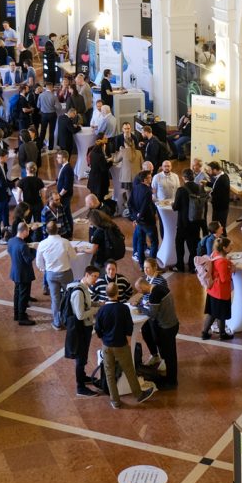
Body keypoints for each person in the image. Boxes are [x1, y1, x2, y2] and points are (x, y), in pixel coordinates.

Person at [94, 282, 157, 408]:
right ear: (117, 293)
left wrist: (104, 340)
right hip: (121, 345)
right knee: (129, 370)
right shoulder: (123, 308)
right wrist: (127, 341)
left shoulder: (102, 310)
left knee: (109, 373)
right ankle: (139, 395)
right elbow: (129, 328)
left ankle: (115, 401)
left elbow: (97, 328)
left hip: (107, 346)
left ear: (106, 294)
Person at [137, 258, 179, 390]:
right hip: (171, 324)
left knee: (170, 355)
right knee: (170, 354)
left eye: (141, 291)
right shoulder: (158, 288)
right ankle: (170, 377)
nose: (141, 294)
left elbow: (152, 314)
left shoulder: (154, 293)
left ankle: (172, 381)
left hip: (167, 327)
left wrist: (140, 307)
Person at [63, 266, 102, 397]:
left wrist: (97, 304)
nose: (96, 279)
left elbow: (86, 305)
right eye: (94, 276)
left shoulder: (84, 287)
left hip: (84, 327)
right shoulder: (78, 292)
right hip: (80, 329)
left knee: (83, 355)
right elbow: (80, 315)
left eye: (97, 277)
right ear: (86, 275)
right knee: (80, 357)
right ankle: (80, 387)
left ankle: (83, 376)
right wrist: (96, 310)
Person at [37, 222, 74, 329]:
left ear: (46, 231)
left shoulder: (42, 244)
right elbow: (73, 257)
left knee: (55, 298)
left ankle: (57, 322)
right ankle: (68, 319)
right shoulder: (65, 242)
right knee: (68, 296)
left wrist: (46, 269)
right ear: (58, 230)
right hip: (65, 273)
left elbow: (39, 263)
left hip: (51, 274)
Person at [198, 238, 235, 340]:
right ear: (224, 248)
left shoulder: (215, 253)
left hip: (213, 290)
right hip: (220, 291)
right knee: (220, 314)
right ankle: (221, 334)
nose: (232, 247)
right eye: (230, 246)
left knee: (213, 313)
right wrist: (231, 270)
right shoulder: (222, 261)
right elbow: (224, 279)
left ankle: (205, 333)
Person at [7, 222, 37, 326]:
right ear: (24, 231)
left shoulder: (11, 241)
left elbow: (10, 252)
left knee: (17, 294)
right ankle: (22, 317)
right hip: (24, 274)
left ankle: (16, 314)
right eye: (28, 230)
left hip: (15, 272)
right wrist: (34, 250)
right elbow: (29, 260)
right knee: (23, 296)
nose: (28, 232)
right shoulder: (23, 245)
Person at [129, 171, 157, 262]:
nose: (151, 178)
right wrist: (138, 217)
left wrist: (135, 217)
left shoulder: (135, 188)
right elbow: (144, 208)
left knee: (140, 242)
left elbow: (130, 203)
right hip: (148, 221)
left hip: (139, 222)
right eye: (149, 177)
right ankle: (152, 264)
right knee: (154, 242)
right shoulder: (148, 191)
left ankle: (141, 264)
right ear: (145, 180)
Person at [86, 133, 111, 200]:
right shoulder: (99, 155)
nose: (107, 139)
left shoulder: (93, 151)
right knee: (99, 199)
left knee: (94, 198)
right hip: (100, 181)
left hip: (93, 178)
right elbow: (104, 168)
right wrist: (111, 162)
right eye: (105, 138)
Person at [207, 161, 232, 228]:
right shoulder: (221, 176)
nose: (208, 172)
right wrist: (207, 183)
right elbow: (216, 186)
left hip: (221, 208)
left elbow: (218, 192)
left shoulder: (222, 179)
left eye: (209, 170)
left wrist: (208, 195)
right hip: (219, 207)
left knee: (220, 227)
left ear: (215, 170)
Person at [37, 83, 59, 149]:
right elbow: (59, 107)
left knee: (43, 130)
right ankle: (50, 147)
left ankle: (40, 146)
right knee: (51, 131)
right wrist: (53, 108)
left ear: (46, 88)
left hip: (44, 115)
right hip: (52, 115)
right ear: (52, 88)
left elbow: (38, 106)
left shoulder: (41, 95)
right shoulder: (54, 96)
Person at [55, 150, 75, 217]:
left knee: (66, 213)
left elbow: (67, 185)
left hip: (65, 195)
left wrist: (60, 195)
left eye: (58, 157)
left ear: (64, 158)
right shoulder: (64, 166)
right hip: (63, 194)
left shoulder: (67, 169)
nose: (57, 159)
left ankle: (69, 226)